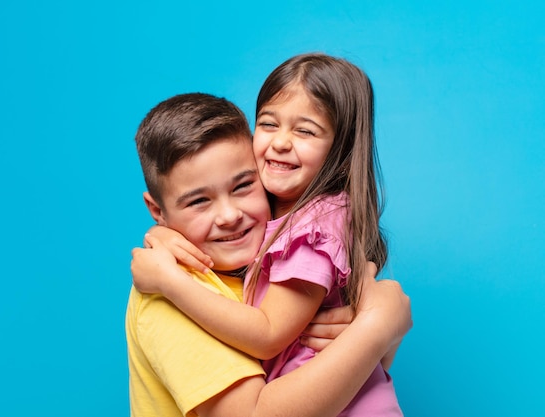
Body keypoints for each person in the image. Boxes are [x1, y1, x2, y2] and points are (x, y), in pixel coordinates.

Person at [132, 54, 403, 416]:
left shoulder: (309, 229)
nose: (230, 216)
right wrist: (376, 329)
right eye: (269, 125)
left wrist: (377, 329)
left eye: (244, 185)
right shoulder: (174, 290)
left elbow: (272, 334)